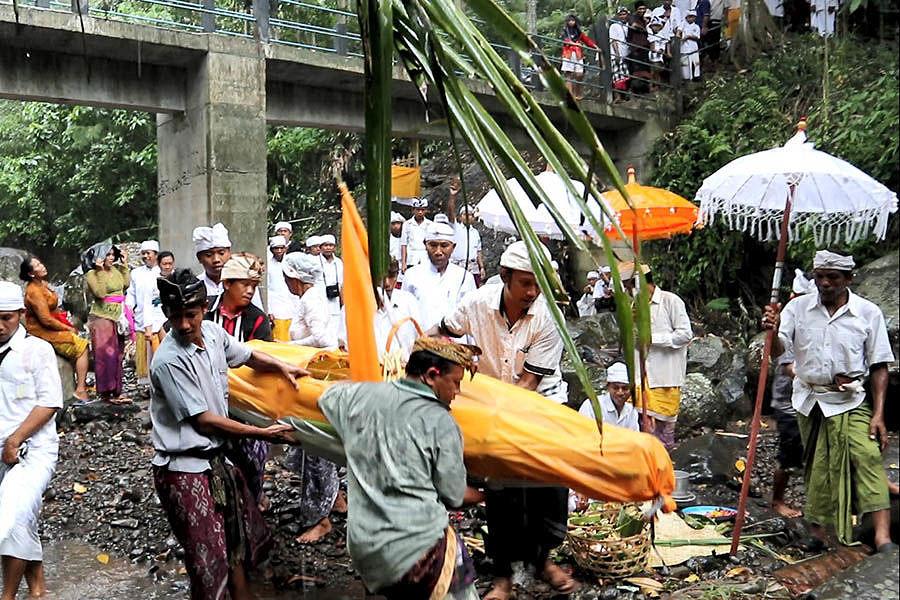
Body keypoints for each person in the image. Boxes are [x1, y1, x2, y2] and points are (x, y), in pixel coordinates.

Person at [149, 269, 305, 599]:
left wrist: (282, 367)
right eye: (175, 317)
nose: (184, 325)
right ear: (166, 314)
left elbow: (247, 356)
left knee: (237, 541)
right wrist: (263, 433)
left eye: (190, 315)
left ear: (203, 308)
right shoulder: (169, 360)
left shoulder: (214, 334)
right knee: (209, 559)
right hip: (183, 469)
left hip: (215, 461)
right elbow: (204, 421)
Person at [434, 241, 575, 599]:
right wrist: (445, 360)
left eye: (537, 283)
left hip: (540, 403)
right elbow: (442, 331)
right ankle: (502, 576)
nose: (532, 292)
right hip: (494, 404)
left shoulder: (548, 317)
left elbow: (528, 385)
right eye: (525, 283)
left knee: (547, 484)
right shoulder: (478, 303)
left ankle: (543, 560)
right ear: (504, 278)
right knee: (500, 490)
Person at [319, 338, 484, 599]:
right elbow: (454, 496)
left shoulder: (357, 396)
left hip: (365, 547)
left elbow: (326, 396)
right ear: (432, 376)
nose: (457, 392)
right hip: (416, 548)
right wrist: (489, 494)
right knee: (457, 568)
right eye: (456, 382)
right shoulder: (441, 422)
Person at [763, 250, 895, 552]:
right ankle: (818, 533)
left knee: (868, 457)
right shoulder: (798, 308)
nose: (824, 283)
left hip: (850, 400)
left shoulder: (868, 313)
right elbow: (779, 353)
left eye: (832, 277)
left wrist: (878, 414)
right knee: (817, 466)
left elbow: (879, 366)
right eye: (819, 276)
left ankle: (882, 537)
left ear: (848, 279)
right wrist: (772, 329)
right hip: (809, 398)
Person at [0, 282, 63, 600]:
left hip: (32, 449)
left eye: (6, 318)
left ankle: (7, 595)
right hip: (2, 449)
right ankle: (37, 590)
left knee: (11, 516)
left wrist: (15, 440)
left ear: (22, 315)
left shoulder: (38, 350)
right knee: (22, 518)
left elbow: (50, 402)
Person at [280, 253, 344, 543]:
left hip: (315, 380)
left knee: (316, 448)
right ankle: (336, 497)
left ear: (294, 277)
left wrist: (287, 347)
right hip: (313, 379)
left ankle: (320, 516)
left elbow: (323, 340)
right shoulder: (311, 298)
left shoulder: (311, 299)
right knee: (312, 450)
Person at [620, 262, 692, 449]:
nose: (628, 291)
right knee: (638, 432)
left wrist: (653, 339)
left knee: (663, 437)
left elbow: (685, 334)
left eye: (629, 286)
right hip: (638, 379)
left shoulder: (670, 301)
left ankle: (662, 472)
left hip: (664, 378)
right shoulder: (632, 306)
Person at [768, 270, 816, 519]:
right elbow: (787, 366)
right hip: (789, 403)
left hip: (816, 399)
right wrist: (818, 378)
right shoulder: (788, 319)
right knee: (789, 454)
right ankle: (777, 500)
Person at [19, 255, 90, 400]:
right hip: (42, 332)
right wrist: (67, 328)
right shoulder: (34, 291)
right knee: (82, 347)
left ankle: (76, 384)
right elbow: (45, 320)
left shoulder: (42, 284)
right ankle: (81, 389)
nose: (42, 266)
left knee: (78, 341)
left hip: (53, 325)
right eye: (37, 266)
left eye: (40, 263)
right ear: (31, 273)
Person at [402, 223, 477, 334]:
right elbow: (404, 315)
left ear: (453, 247)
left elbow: (471, 317)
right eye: (433, 245)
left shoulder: (465, 277)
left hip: (455, 346)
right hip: (421, 344)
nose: (438, 251)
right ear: (425, 245)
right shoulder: (412, 275)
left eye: (444, 245)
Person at [84, 243, 131, 405]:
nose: (111, 258)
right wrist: (100, 271)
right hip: (101, 317)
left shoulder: (116, 270)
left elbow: (125, 284)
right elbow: (100, 293)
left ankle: (117, 391)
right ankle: (105, 393)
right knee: (105, 356)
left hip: (118, 315)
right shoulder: (92, 274)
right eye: (107, 255)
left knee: (118, 354)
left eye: (113, 255)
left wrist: (124, 265)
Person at [193, 223, 263, 311]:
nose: (216, 259)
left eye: (221, 253)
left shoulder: (245, 283)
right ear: (199, 258)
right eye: (208, 255)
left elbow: (258, 316)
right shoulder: (194, 287)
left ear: (229, 253)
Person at [206, 254, 272, 343]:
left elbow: (260, 352)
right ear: (227, 284)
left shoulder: (258, 319)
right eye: (245, 284)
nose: (250, 291)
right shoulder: (204, 308)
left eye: (254, 286)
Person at [282, 253, 338, 349]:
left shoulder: (311, 299)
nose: (285, 282)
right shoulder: (308, 297)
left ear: (294, 279)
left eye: (286, 278)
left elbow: (320, 338)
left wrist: (288, 345)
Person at [126, 240, 162, 384]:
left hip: (159, 317)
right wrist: (129, 308)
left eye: (149, 253)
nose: (146, 256)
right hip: (141, 317)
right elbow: (131, 293)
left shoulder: (162, 272)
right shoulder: (136, 273)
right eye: (143, 253)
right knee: (144, 353)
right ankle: (147, 384)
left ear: (156, 255)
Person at [374, 259, 422, 361]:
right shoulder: (357, 306)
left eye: (391, 276)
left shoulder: (409, 301)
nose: (387, 283)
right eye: (381, 277)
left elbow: (420, 338)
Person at [579, 362, 640, 430]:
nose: (620, 393)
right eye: (615, 388)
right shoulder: (591, 406)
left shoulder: (631, 411)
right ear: (608, 387)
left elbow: (634, 437)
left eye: (625, 388)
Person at [446, 181, 485, 286]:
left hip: (473, 267)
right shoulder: (456, 228)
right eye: (465, 214)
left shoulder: (475, 232)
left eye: (471, 215)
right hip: (459, 265)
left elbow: (478, 251)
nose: (468, 216)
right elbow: (450, 213)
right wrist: (452, 197)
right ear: (460, 217)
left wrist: (481, 267)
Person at [560, 14, 598, 101]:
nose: (571, 22)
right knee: (569, 75)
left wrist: (596, 47)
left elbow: (587, 40)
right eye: (569, 20)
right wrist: (576, 44)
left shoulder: (578, 31)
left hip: (578, 54)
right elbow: (566, 41)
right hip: (568, 54)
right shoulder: (564, 31)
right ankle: (570, 95)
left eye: (573, 20)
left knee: (579, 74)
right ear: (567, 22)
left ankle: (577, 93)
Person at [266, 236, 296, 342]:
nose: (279, 251)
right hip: (276, 307)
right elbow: (267, 288)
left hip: (291, 306)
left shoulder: (290, 263)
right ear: (271, 249)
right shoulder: (268, 265)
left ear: (285, 248)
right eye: (276, 248)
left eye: (281, 248)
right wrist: (269, 310)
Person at [318, 234, 344, 329]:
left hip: (335, 302)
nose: (328, 248)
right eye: (325, 245)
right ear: (320, 247)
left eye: (331, 245)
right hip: (320, 301)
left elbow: (341, 284)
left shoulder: (339, 262)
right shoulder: (315, 262)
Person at [400, 199, 433, 273]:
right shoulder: (407, 224)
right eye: (418, 210)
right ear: (413, 210)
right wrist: (403, 263)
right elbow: (403, 244)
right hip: (411, 258)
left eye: (422, 210)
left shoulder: (430, 224)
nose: (420, 212)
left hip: (425, 257)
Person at [610, 7, 631, 99]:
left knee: (624, 75)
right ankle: (617, 96)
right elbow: (613, 41)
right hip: (616, 54)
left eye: (624, 14)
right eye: (621, 14)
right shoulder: (614, 26)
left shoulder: (628, 25)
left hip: (626, 53)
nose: (623, 16)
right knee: (617, 75)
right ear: (618, 16)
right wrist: (617, 54)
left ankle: (624, 95)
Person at [679, 10, 702, 81]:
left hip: (693, 47)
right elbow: (678, 31)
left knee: (696, 62)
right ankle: (686, 77)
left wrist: (689, 36)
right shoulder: (683, 24)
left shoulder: (696, 27)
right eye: (689, 17)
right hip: (684, 47)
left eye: (692, 17)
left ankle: (696, 76)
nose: (691, 18)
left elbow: (697, 37)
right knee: (685, 63)